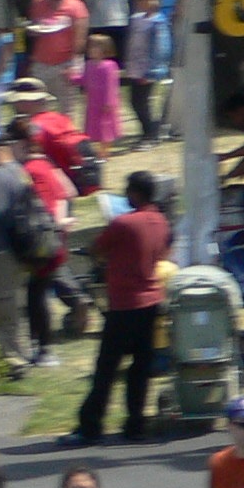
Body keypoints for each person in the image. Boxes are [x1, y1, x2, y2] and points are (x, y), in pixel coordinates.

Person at [69, 172, 173, 446]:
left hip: (125, 303)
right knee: (141, 367)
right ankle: (135, 424)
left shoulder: (124, 223)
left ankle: (90, 426)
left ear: (136, 193)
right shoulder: (161, 221)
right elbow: (162, 252)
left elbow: (97, 248)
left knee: (106, 367)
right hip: (151, 301)